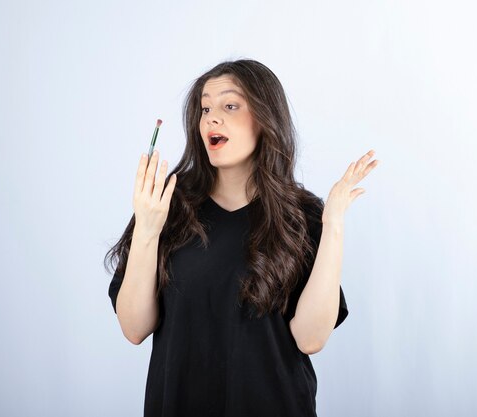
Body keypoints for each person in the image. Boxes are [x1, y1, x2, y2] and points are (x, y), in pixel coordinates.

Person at [104, 59, 378, 417]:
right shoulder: (166, 206)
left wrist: (333, 224)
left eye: (229, 106)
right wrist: (147, 230)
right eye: (205, 108)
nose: (211, 119)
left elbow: (311, 338)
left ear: (265, 118)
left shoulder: (301, 215)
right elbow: (134, 328)